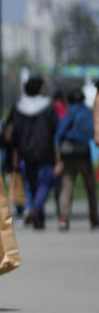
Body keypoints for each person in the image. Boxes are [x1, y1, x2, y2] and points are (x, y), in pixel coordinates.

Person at [12, 76, 61, 230]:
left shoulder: (19, 108)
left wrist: (16, 154)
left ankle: (39, 220)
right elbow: (55, 130)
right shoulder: (48, 107)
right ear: (40, 90)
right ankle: (35, 210)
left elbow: (16, 133)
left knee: (33, 185)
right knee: (45, 183)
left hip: (26, 151)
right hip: (45, 150)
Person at [54, 87, 97, 230]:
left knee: (67, 188)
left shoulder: (68, 113)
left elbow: (58, 136)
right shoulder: (88, 112)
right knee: (90, 187)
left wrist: (58, 160)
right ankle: (93, 218)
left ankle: (63, 219)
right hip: (84, 153)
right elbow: (92, 132)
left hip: (68, 155)